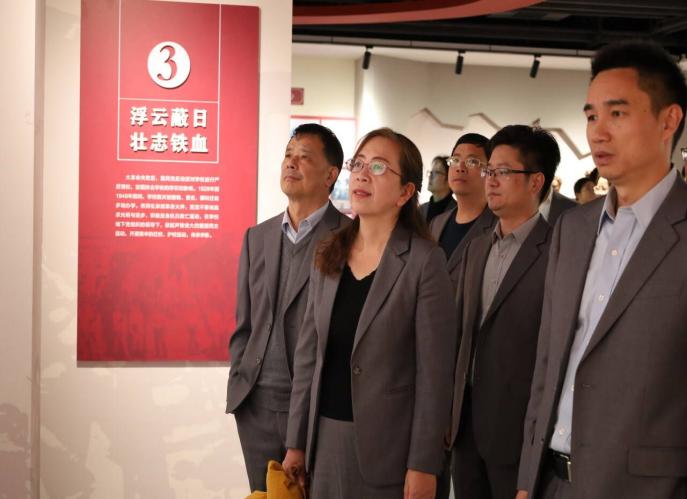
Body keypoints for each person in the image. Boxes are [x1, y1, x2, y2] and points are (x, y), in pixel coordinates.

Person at [516, 40, 687, 499]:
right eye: (592, 116)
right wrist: (527, 479)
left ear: (668, 120)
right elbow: (548, 362)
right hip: (551, 481)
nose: (598, 133)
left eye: (617, 113)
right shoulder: (572, 228)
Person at [282, 128, 457, 499]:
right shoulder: (328, 252)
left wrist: (424, 463)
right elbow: (308, 356)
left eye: (378, 167)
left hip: (390, 451)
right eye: (358, 164)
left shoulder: (424, 262)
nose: (362, 175)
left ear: (406, 192)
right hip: (324, 442)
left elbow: (435, 376)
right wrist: (296, 442)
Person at [225, 124, 350, 492]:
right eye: (288, 155)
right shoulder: (257, 237)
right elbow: (245, 323)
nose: (291, 163)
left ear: (331, 174)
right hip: (256, 405)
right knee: (262, 495)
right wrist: (240, 380)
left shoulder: (349, 238)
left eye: (304, 157)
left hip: (315, 408)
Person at [448, 125, 558, 499]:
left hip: (518, 430)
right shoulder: (477, 247)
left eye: (504, 172)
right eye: (489, 170)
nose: (491, 180)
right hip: (465, 427)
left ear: (535, 181)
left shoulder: (557, 251)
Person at [429, 133, 497, 290]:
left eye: (472, 161)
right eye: (455, 160)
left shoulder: (498, 228)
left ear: (489, 171)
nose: (460, 167)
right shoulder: (436, 224)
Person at [420, 155, 456, 223]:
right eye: (431, 172)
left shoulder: (457, 211)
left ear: (449, 179)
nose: (430, 176)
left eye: (436, 172)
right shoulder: (421, 210)